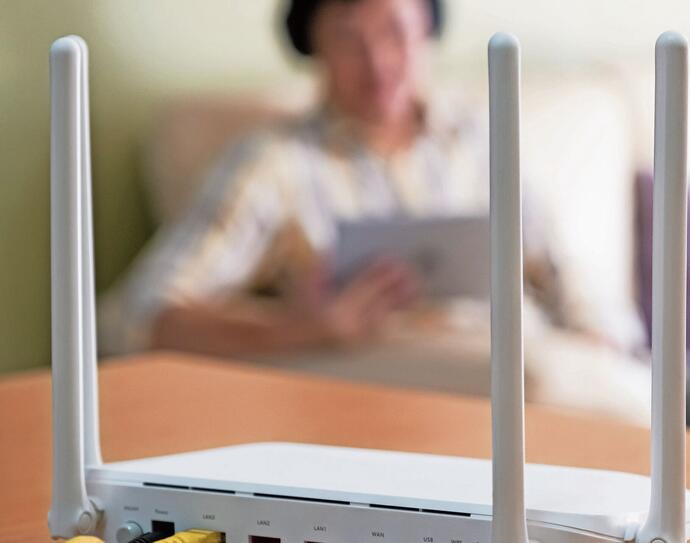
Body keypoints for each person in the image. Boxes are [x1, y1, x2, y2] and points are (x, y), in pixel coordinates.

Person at [100, 0, 569, 357]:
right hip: (380, 392)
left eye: (394, 30)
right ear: (313, 45)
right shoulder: (274, 164)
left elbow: (563, 274)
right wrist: (300, 329)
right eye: (349, 39)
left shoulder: (479, 140)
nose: (378, 62)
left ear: (427, 26)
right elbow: (137, 316)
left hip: (531, 380)